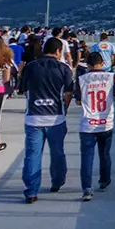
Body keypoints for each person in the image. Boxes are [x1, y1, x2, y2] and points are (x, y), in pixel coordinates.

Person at [19, 37, 74, 203]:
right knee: (57, 153)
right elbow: (68, 93)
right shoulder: (64, 68)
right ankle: (57, 182)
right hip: (55, 118)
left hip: (33, 119)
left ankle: (31, 191)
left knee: (32, 155)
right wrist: (64, 108)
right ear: (58, 51)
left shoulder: (31, 67)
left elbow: (24, 90)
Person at [75, 51, 115, 201]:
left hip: (87, 124)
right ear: (103, 63)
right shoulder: (112, 77)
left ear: (87, 65)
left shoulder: (81, 79)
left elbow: (78, 101)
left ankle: (87, 189)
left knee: (87, 157)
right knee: (105, 154)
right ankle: (104, 181)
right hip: (105, 124)